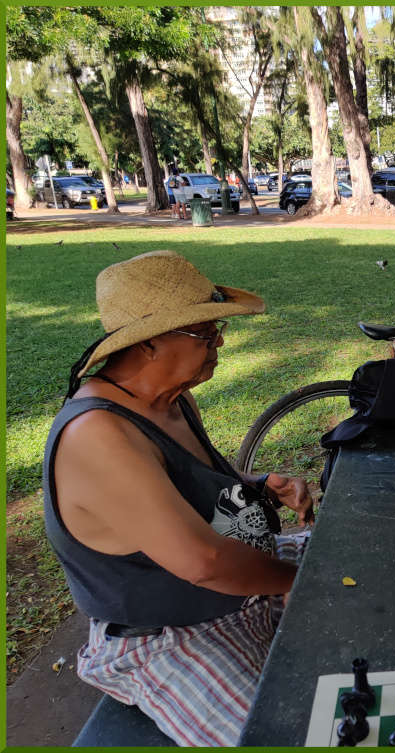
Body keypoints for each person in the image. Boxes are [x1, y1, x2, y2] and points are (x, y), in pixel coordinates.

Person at [43, 250, 314, 746]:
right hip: (169, 635)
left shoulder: (173, 399)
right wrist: (302, 584)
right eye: (204, 334)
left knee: (369, 557)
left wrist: (256, 485)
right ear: (148, 343)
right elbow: (204, 560)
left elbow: (194, 482)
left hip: (242, 587)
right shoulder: (99, 435)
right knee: (288, 735)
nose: (220, 342)